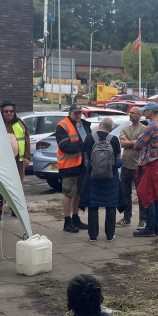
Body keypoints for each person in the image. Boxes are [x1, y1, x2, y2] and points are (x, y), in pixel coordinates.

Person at [129, 101, 158, 238]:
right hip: (157, 164)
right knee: (156, 196)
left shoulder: (150, 126)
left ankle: (150, 227)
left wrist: (132, 140)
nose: (143, 112)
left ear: (151, 112)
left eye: (145, 110)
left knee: (147, 194)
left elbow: (138, 144)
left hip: (149, 164)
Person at [82, 117, 122, 242]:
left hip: (93, 178)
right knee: (110, 206)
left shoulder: (89, 138)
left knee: (93, 206)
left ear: (100, 125)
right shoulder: (114, 140)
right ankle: (110, 235)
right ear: (110, 129)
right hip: (111, 178)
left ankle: (93, 235)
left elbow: (86, 157)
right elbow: (119, 160)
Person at [56, 104, 91, 233]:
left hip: (82, 164)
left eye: (79, 113)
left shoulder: (84, 125)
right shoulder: (62, 126)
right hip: (68, 166)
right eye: (75, 113)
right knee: (69, 194)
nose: (78, 115)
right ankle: (67, 221)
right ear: (70, 113)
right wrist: (82, 144)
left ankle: (76, 218)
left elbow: (89, 142)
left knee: (78, 193)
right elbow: (65, 147)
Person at [116, 107, 145, 227]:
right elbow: (123, 143)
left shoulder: (144, 128)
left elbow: (141, 143)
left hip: (138, 166)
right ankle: (126, 217)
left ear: (139, 115)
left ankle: (143, 219)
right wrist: (134, 142)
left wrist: (131, 141)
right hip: (126, 165)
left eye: (133, 113)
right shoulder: (125, 128)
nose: (130, 115)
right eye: (130, 113)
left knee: (141, 193)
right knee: (125, 193)